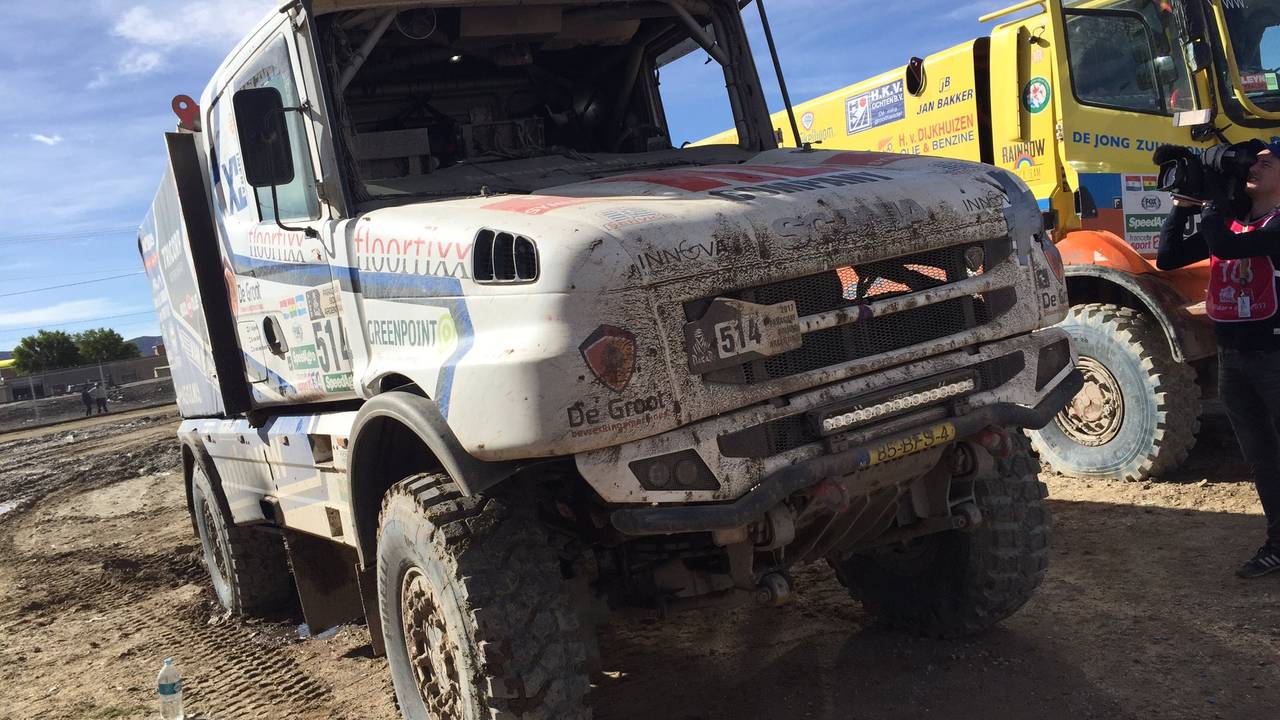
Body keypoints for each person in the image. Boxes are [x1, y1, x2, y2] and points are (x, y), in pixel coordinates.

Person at [1158, 142, 1280, 578]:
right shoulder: (1227, 221)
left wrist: (1212, 205)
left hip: (1274, 355)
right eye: (1253, 161)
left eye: (1267, 162)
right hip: (1234, 357)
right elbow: (1170, 257)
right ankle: (1276, 544)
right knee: (1262, 457)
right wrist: (1181, 206)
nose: (1255, 166)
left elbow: (1227, 247)